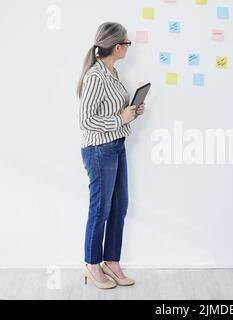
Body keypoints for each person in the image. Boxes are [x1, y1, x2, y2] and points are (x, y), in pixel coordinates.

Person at [77, 22, 145, 289]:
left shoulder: (113, 73)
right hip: (98, 150)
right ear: (117, 46)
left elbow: (115, 114)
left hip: (116, 145)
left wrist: (131, 113)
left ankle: (111, 261)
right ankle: (92, 264)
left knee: (120, 206)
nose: (128, 47)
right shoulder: (95, 76)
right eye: (127, 43)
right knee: (100, 210)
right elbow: (86, 120)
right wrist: (120, 118)